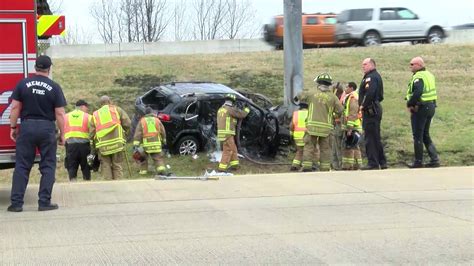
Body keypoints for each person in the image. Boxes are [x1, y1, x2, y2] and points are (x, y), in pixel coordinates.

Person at [8, 55, 66, 212]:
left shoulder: (23, 84)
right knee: (48, 165)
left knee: (22, 166)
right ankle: (44, 202)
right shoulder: (54, 87)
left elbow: (15, 108)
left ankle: (16, 203)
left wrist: (13, 127)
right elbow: (60, 113)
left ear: (35, 68)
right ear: (49, 68)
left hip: (26, 128)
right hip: (47, 128)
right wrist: (62, 134)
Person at [300, 73, 343, 172]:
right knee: (325, 149)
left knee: (309, 147)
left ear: (318, 83)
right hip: (326, 129)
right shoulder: (333, 97)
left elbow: (299, 96)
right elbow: (340, 110)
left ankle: (306, 167)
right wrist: (334, 116)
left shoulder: (311, 93)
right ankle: (324, 169)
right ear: (329, 84)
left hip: (311, 127)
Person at [406, 56, 439, 168]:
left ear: (420, 65)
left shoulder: (419, 76)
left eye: (412, 64)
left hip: (421, 108)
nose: (410, 66)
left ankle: (418, 161)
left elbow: (418, 92)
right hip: (431, 106)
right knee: (425, 134)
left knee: (418, 136)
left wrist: (410, 103)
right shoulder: (429, 75)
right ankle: (434, 159)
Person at [90, 95, 131, 180]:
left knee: (105, 165)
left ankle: (109, 186)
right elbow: (127, 123)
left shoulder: (95, 114)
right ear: (110, 102)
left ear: (100, 104)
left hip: (103, 145)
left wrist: (93, 146)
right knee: (117, 164)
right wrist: (125, 134)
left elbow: (92, 133)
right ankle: (119, 185)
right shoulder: (117, 110)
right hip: (117, 143)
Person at [358, 58, 387, 170]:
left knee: (370, 138)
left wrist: (363, 105)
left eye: (365, 64)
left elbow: (370, 93)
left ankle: (373, 163)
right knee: (375, 137)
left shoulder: (371, 77)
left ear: (371, 65)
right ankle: (382, 162)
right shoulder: (373, 76)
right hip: (374, 108)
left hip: (370, 109)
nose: (363, 66)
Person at [217, 94, 250, 172]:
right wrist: (247, 109)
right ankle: (222, 168)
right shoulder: (230, 109)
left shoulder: (221, 109)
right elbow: (242, 115)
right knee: (228, 150)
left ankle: (235, 165)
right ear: (232, 102)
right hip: (228, 133)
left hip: (222, 133)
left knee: (233, 148)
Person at [133, 107, 168, 175]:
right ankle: (161, 170)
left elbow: (138, 133)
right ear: (152, 112)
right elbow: (162, 131)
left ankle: (143, 172)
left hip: (146, 144)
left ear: (145, 113)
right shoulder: (157, 120)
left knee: (143, 158)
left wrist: (136, 144)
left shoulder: (142, 121)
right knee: (158, 158)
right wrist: (164, 140)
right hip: (156, 143)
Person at [64, 100, 92, 181]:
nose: (87, 109)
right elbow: (93, 130)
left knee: (72, 166)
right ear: (83, 107)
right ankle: (87, 184)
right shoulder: (88, 116)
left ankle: (73, 185)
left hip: (70, 145)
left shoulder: (66, 116)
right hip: (84, 145)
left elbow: (61, 129)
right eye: (87, 107)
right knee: (86, 166)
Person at [341, 82, 363, 170]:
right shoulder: (351, 96)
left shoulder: (353, 97)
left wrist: (349, 128)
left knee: (349, 146)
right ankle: (357, 165)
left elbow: (352, 113)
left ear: (351, 88)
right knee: (355, 146)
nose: (345, 89)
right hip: (355, 125)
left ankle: (348, 165)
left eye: (346, 87)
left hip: (353, 126)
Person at [289, 102, 309, 171]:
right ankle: (306, 166)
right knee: (308, 151)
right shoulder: (310, 113)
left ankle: (294, 165)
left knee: (299, 151)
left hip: (297, 136)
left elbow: (291, 125)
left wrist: (291, 134)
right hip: (306, 136)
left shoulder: (296, 113)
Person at [330, 82, 345, 170]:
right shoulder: (339, 98)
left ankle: (340, 165)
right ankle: (335, 165)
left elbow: (341, 112)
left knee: (339, 146)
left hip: (340, 126)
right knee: (334, 147)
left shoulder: (342, 99)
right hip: (336, 125)